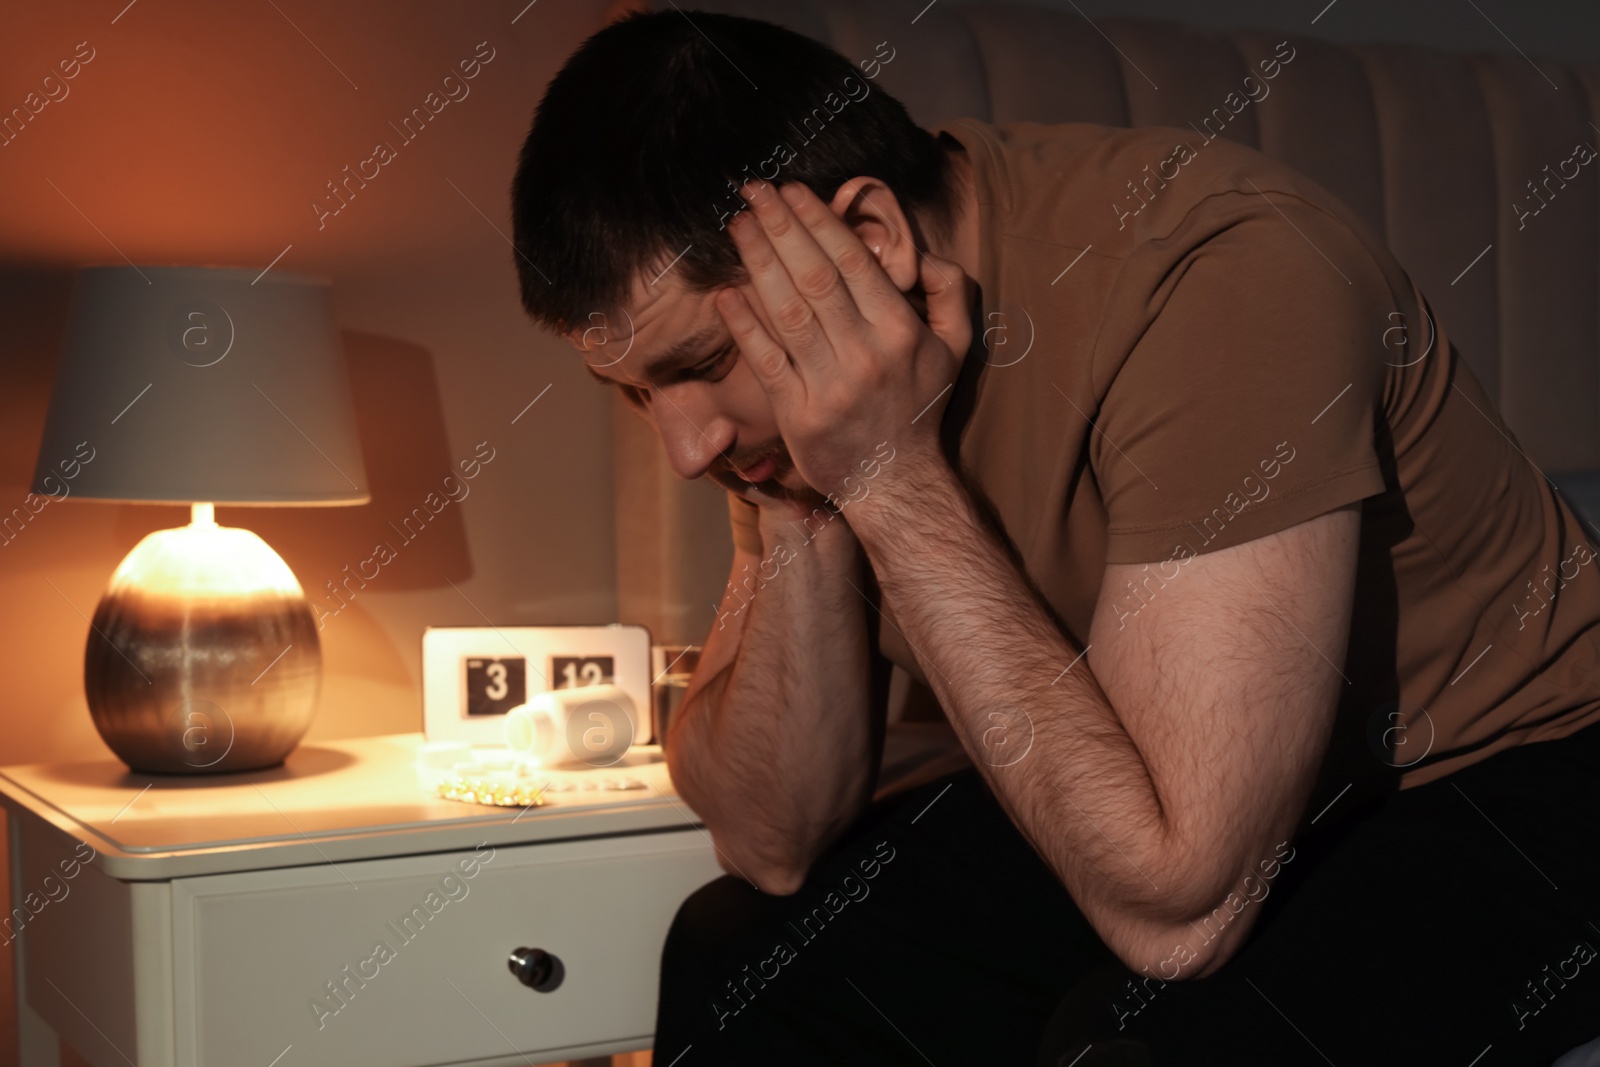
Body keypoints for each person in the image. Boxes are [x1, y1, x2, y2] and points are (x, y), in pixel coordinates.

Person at [510, 9, 1600, 1065]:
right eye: (632, 393)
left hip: (1518, 770)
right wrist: (804, 495)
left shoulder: (1218, 275)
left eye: (698, 370)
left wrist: (888, 476)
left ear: (872, 240)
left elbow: (1182, 913)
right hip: (1155, 772)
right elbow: (770, 839)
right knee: (743, 955)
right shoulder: (808, 376)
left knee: (1144, 1035)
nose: (685, 448)